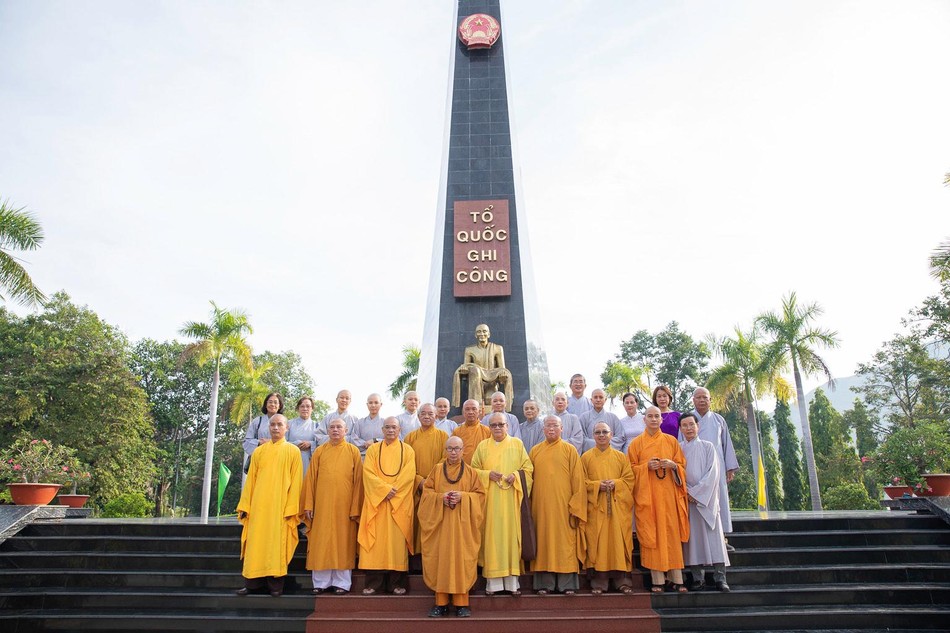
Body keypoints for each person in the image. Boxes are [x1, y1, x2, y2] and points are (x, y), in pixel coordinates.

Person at [418, 436, 486, 618]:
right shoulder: (437, 470)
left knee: (461, 562)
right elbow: (427, 494)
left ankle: (462, 603)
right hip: (440, 527)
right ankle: (440, 603)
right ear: (445, 451)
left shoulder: (471, 472)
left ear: (463, 451)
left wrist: (464, 496)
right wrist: (441, 498)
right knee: (441, 561)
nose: (453, 452)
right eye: (450, 449)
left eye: (457, 449)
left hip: (462, 529)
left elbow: (480, 496)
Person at [236, 414, 302, 597]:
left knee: (276, 546)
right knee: (256, 545)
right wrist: (245, 505)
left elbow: (296, 482)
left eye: (279, 424)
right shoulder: (259, 452)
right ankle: (252, 584)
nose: (275, 428)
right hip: (258, 507)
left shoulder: (293, 451)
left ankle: (275, 586)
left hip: (280, 508)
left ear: (287, 428)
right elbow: (251, 481)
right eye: (272, 424)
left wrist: (291, 509)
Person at [628, 406, 689, 593]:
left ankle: (676, 579)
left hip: (669, 497)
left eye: (657, 416)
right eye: (650, 416)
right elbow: (630, 470)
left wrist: (673, 466)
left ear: (662, 420)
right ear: (644, 419)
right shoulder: (636, 444)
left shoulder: (671, 441)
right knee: (652, 534)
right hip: (648, 497)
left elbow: (681, 465)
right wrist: (645, 467)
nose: (654, 419)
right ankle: (658, 580)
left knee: (671, 534)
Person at [471, 413, 532, 595]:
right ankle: (493, 584)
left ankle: (512, 584)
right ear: (489, 427)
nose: (497, 428)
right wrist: (487, 474)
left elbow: (528, 469)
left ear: (508, 426)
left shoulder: (517, 444)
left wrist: (516, 475)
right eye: (494, 425)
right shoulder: (483, 446)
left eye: (501, 424)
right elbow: (473, 471)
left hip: (511, 500)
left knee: (510, 538)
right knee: (492, 538)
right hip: (490, 502)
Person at [300, 417, 363, 594]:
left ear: (345, 431)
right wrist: (309, 504)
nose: (335, 430)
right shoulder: (319, 452)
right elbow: (310, 479)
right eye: (332, 427)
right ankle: (321, 583)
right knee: (321, 543)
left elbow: (359, 482)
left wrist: (355, 508)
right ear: (327, 431)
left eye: (339, 427)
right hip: (322, 506)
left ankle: (342, 583)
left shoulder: (353, 451)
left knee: (343, 543)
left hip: (345, 508)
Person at [529, 415, 586, 595]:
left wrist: (575, 506)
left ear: (562, 429)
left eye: (555, 425)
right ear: (543, 429)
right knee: (543, 543)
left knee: (564, 543)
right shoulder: (535, 451)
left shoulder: (570, 450)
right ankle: (544, 584)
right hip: (541, 508)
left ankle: (566, 584)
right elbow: (529, 480)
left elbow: (578, 480)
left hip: (564, 507)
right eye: (548, 426)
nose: (551, 429)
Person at [358, 417, 416, 594]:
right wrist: (384, 491)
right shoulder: (373, 450)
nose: (391, 430)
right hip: (377, 503)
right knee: (375, 544)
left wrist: (391, 492)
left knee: (396, 544)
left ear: (399, 430)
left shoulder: (408, 450)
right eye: (388, 427)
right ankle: (373, 583)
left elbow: (409, 475)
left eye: (394, 427)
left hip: (398, 504)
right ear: (382, 430)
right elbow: (368, 473)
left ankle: (396, 584)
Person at [679, 412, 731, 592]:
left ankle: (720, 578)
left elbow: (713, 474)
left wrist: (697, 493)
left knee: (715, 541)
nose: (689, 428)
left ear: (697, 426)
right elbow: (676, 473)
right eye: (684, 425)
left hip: (706, 501)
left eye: (691, 424)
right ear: (680, 429)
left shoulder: (708, 447)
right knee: (694, 542)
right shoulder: (678, 449)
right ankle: (697, 578)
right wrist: (687, 492)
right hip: (688, 501)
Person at [582, 422, 635, 595]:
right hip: (597, 508)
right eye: (597, 432)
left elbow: (629, 479)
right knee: (598, 544)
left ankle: (622, 582)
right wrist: (598, 485)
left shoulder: (620, 457)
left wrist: (616, 484)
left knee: (619, 543)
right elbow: (581, 483)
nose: (601, 435)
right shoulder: (586, 458)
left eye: (605, 432)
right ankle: (599, 582)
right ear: (593, 436)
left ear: (611, 435)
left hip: (617, 507)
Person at [689, 387, 739, 547]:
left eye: (705, 397)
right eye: (698, 397)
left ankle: (722, 539)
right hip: (694, 468)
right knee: (696, 502)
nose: (702, 400)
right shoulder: (688, 420)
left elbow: (726, 444)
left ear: (710, 400)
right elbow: (681, 444)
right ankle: (698, 542)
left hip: (716, 468)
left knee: (719, 501)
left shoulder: (719, 420)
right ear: (693, 400)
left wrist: (729, 467)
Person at [405, 403, 449, 555]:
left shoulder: (443, 437)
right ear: (418, 416)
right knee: (415, 522)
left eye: (430, 414)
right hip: (415, 485)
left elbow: (445, 459)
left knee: (434, 522)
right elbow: (405, 462)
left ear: (436, 416)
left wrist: (430, 480)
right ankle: (414, 557)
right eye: (423, 413)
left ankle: (433, 555)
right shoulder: (410, 437)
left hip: (435, 486)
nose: (427, 416)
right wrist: (418, 480)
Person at [452, 323, 514, 409]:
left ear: (489, 334)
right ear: (475, 335)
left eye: (484, 331)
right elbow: (466, 367)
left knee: (490, 400)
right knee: (474, 369)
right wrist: (464, 370)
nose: (482, 334)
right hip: (475, 381)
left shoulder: (497, 348)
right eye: (479, 332)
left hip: (491, 382)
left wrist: (503, 375)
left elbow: (502, 369)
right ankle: (476, 407)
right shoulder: (469, 350)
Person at [242, 392, 283, 477]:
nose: (272, 404)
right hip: (260, 460)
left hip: (278, 460)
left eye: (275, 402)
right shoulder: (257, 421)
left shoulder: (285, 422)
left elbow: (289, 442)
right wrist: (259, 442)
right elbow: (246, 441)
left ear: (279, 406)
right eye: (270, 402)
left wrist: (270, 442)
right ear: (266, 404)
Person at [578, 389, 625, 453]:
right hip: (591, 454)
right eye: (595, 397)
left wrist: (603, 444)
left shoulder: (613, 417)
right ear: (591, 400)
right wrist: (601, 443)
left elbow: (620, 437)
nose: (598, 400)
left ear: (605, 400)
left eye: (601, 397)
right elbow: (580, 438)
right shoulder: (584, 417)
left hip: (610, 454)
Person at [452, 398, 492, 465]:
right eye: (467, 409)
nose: (470, 412)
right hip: (461, 468)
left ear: (479, 411)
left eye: (474, 409)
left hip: (480, 468)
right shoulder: (457, 432)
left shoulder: (487, 431)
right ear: (463, 412)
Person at [287, 396, 317, 475]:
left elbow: (320, 444)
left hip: (308, 461)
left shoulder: (317, 425)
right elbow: (282, 442)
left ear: (312, 409)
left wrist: (310, 444)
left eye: (308, 406)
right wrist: (296, 444)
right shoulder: (289, 424)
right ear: (298, 408)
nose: (305, 409)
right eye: (302, 406)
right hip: (290, 459)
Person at [348, 393, 385, 457]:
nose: (373, 405)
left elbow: (391, 440)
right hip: (363, 456)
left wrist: (376, 440)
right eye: (370, 403)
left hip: (381, 455)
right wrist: (366, 443)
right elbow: (353, 440)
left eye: (376, 403)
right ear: (367, 405)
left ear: (381, 404)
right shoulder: (359, 423)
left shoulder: (386, 423)